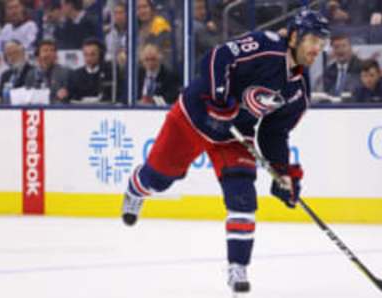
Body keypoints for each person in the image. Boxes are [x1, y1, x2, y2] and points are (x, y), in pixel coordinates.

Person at [121, 9, 330, 295]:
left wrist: (282, 170)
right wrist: (220, 99)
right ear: (294, 36)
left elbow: (274, 133)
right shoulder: (266, 46)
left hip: (234, 135)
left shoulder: (299, 91)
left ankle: (238, 269)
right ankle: (135, 189)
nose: (318, 48)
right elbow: (217, 57)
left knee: (243, 195)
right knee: (158, 178)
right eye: (313, 40)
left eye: (323, 42)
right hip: (195, 117)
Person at [69, 38, 116, 103]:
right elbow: (72, 98)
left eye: (92, 54)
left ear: (100, 55)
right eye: (86, 54)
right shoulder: (76, 75)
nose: (89, 58)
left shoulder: (110, 73)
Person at [322, 34, 362, 100]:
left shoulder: (361, 67)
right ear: (332, 51)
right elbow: (326, 93)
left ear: (350, 48)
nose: (340, 50)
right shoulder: (328, 71)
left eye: (344, 46)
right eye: (336, 47)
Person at [0, 39, 33, 104]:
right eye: (9, 54)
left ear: (23, 52)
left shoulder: (33, 71)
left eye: (15, 52)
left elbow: (30, 94)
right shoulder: (5, 75)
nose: (12, 57)